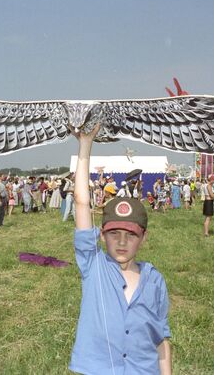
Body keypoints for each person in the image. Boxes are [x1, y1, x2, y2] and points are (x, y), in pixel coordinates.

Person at [70, 125, 172, 374]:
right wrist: (85, 145)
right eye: (114, 234)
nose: (122, 242)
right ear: (102, 236)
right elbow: (82, 204)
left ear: (143, 237)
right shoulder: (93, 267)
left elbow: (161, 340)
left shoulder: (155, 280)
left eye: (131, 235)